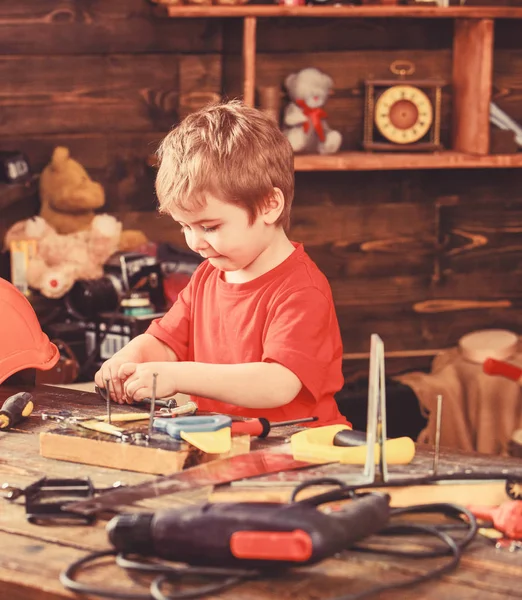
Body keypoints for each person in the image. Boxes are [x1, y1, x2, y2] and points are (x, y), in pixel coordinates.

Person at [94, 100, 348, 426]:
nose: (194, 242)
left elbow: (278, 384)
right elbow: (166, 343)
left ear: (270, 205)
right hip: (224, 444)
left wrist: (175, 375)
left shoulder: (302, 290)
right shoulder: (207, 276)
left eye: (209, 227)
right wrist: (130, 357)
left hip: (303, 451)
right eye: (184, 226)